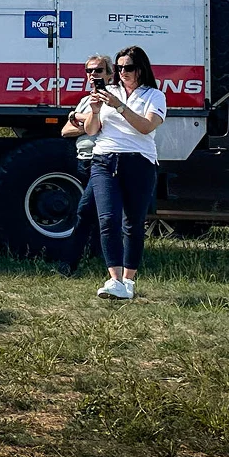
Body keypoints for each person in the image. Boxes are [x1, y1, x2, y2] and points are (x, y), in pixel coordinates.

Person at [83, 45, 166, 300]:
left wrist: (119, 107)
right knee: (107, 219)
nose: (122, 72)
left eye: (127, 68)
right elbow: (90, 130)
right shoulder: (109, 92)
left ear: (141, 69)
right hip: (104, 159)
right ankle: (114, 279)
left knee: (133, 223)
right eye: (118, 68)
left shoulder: (154, 96)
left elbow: (146, 127)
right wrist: (95, 111)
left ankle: (128, 281)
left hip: (139, 161)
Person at [57, 54, 112, 276]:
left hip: (103, 160)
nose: (93, 75)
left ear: (110, 74)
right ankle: (101, 258)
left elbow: (99, 126)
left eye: (98, 71)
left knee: (89, 212)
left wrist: (78, 118)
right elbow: (65, 130)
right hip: (83, 161)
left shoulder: (112, 97)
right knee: (93, 213)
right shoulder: (86, 99)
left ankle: (69, 263)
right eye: (89, 71)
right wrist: (85, 120)